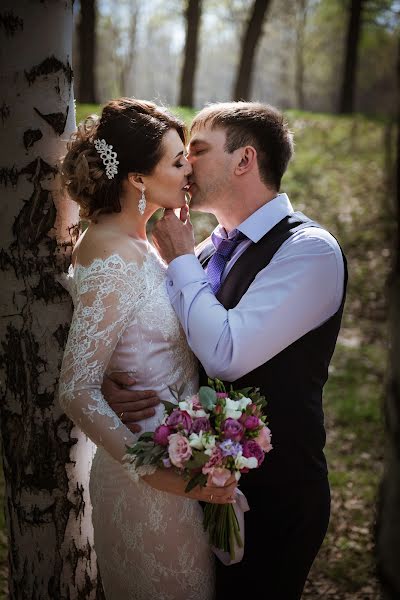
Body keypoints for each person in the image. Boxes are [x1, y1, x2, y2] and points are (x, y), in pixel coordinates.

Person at [105, 101, 347, 599]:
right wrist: (113, 375)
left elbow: (225, 352)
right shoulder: (208, 250)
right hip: (196, 486)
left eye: (198, 150)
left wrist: (178, 259)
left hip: (276, 499)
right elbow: (169, 338)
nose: (185, 163)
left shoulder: (309, 251)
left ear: (245, 161)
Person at [58, 97, 237, 600]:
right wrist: (155, 474)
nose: (190, 171)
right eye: (178, 161)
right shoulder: (113, 254)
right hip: (148, 483)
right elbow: (76, 388)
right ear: (137, 178)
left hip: (179, 467)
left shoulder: (140, 244)